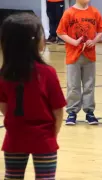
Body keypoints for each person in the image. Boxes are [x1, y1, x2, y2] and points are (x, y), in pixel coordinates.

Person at [0, 13, 66, 179]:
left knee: (12, 177)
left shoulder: (4, 74)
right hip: (44, 138)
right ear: (33, 42)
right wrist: (52, 135)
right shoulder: (47, 73)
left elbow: (4, 108)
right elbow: (58, 111)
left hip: (15, 136)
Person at [57, 0, 102, 125]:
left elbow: (101, 30)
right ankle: (72, 112)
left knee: (89, 85)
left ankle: (89, 112)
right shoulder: (69, 13)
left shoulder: (94, 12)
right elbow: (60, 32)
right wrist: (73, 42)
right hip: (73, 56)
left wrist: (94, 40)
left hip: (89, 55)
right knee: (73, 85)